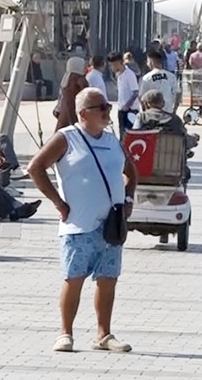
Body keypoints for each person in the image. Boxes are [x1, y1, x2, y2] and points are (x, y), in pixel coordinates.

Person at [28, 88, 137, 354]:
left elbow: (131, 171)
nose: (107, 112)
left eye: (108, 107)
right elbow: (35, 168)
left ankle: (104, 334)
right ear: (83, 113)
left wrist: (128, 199)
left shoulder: (112, 140)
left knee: (108, 279)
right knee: (73, 278)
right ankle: (65, 333)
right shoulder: (67, 138)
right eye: (101, 108)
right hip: (79, 224)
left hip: (111, 225)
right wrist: (58, 202)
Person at [108, 52, 141, 135]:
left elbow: (135, 92)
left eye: (113, 65)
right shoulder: (118, 75)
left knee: (129, 134)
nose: (111, 67)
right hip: (121, 109)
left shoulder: (130, 74)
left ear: (119, 62)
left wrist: (127, 105)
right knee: (122, 134)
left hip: (131, 110)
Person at [140, 50, 181, 115]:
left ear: (151, 62)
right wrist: (174, 110)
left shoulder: (147, 78)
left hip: (152, 113)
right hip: (168, 112)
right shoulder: (171, 76)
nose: (147, 64)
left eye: (147, 61)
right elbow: (177, 94)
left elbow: (142, 97)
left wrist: (145, 112)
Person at [54, 56, 89, 132]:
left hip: (64, 117)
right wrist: (75, 124)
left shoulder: (67, 78)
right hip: (72, 118)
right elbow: (70, 104)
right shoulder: (77, 81)